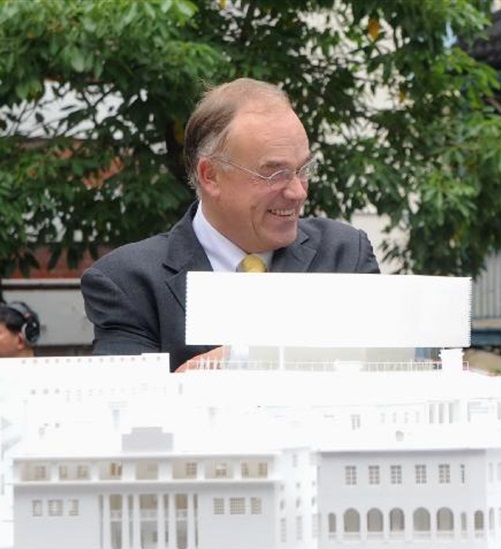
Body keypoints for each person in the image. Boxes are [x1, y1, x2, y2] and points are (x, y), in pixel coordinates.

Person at [80, 77, 380, 372]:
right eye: (274, 174)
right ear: (210, 175)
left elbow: (387, 375)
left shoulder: (344, 255)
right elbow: (128, 404)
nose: (298, 192)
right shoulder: (129, 283)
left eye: (303, 169)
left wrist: (251, 357)